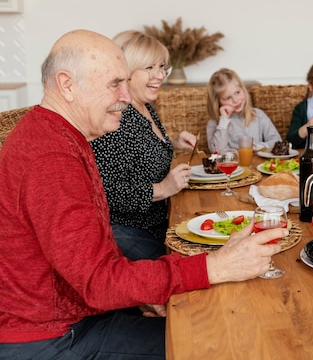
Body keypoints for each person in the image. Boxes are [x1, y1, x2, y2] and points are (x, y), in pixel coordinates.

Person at [0, 29, 287, 359]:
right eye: (114, 84)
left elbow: (88, 262)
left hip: (77, 316)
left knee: (205, 322)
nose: (125, 96)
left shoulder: (55, 135)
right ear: (67, 85)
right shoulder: (52, 158)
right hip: (50, 338)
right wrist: (213, 267)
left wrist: (138, 293)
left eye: (126, 83)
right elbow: (99, 282)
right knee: (218, 342)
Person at [90, 30, 194, 261]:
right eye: (149, 68)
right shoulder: (117, 117)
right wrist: (163, 189)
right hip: (128, 231)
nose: (159, 75)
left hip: (158, 222)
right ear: (126, 72)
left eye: (161, 67)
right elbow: (105, 191)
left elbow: (140, 153)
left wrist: (173, 143)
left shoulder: (144, 108)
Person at [206, 67, 281, 151]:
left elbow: (277, 141)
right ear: (218, 103)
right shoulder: (214, 123)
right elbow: (216, 151)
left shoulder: (258, 115)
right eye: (228, 98)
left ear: (243, 89)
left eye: (237, 92)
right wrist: (224, 121)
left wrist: (256, 147)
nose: (235, 100)